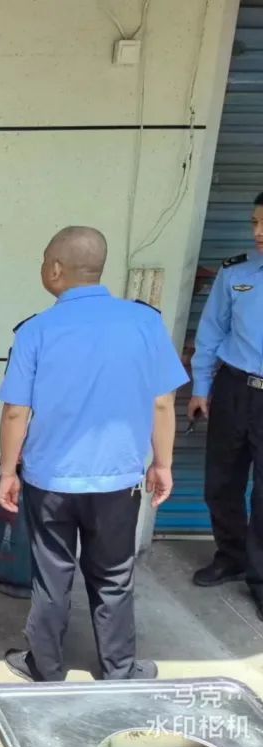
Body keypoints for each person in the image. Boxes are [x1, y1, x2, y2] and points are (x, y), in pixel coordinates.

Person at [0, 226, 187, 682]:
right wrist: (162, 464)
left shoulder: (36, 331)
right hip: (118, 481)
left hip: (50, 481)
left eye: (44, 262)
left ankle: (45, 667)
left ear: (55, 269)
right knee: (114, 576)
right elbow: (163, 403)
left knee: (51, 576)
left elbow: (16, 412)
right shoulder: (145, 323)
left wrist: (7, 472)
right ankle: (118, 671)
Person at [188, 194, 263, 621]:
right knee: (221, 482)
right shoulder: (236, 272)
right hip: (234, 388)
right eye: (254, 223)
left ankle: (260, 576)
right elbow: (211, 331)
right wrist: (201, 388)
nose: (258, 233)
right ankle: (230, 555)